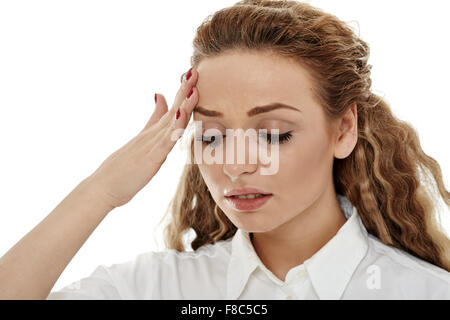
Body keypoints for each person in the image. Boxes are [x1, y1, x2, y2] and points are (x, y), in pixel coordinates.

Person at [1, 0, 449, 300]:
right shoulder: (161, 289)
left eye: (273, 134)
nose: (235, 165)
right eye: (212, 136)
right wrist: (102, 190)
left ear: (344, 129)